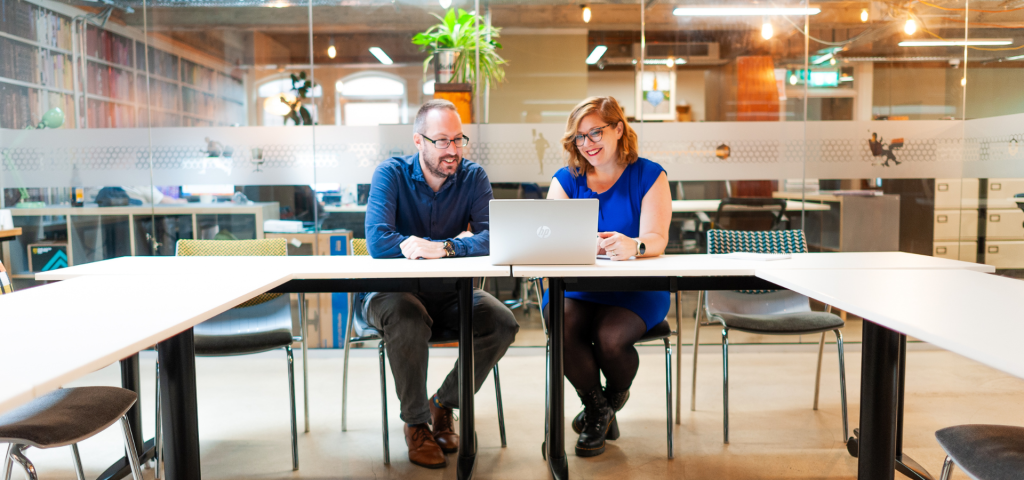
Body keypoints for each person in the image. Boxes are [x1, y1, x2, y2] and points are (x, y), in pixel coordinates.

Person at [359, 99, 519, 469]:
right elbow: (378, 242)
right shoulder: (391, 174)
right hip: (389, 296)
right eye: (442, 141)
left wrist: (445, 248)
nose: (453, 150)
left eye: (459, 139)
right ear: (419, 141)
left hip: (449, 292)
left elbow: (495, 236)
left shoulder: (473, 176)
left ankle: (444, 403)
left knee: (501, 322)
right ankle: (416, 423)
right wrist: (432, 247)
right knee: (408, 316)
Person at [544, 96, 672, 457]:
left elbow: (657, 239)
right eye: (579, 137)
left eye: (595, 132)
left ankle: (611, 398)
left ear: (618, 129)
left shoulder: (649, 175)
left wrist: (636, 246)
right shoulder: (567, 179)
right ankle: (599, 410)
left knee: (610, 338)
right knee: (561, 324)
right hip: (578, 289)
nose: (588, 144)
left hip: (636, 289)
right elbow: (549, 236)